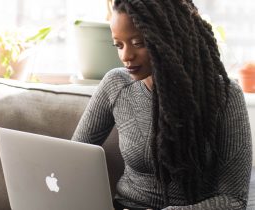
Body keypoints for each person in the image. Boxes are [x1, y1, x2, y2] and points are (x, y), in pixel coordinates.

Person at [72, 0, 252, 209]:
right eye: (118, 45)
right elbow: (73, 156)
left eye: (138, 43)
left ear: (170, 38)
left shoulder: (225, 96)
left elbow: (234, 200)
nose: (125, 56)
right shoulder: (116, 84)